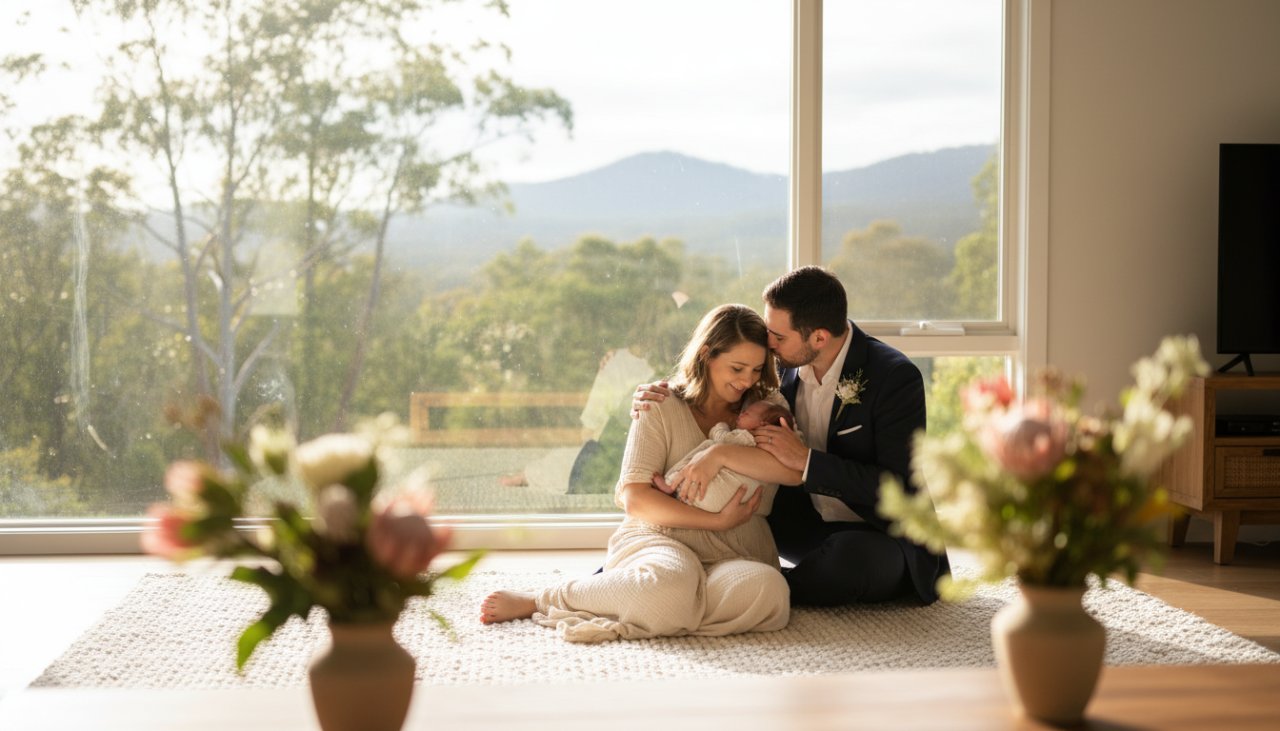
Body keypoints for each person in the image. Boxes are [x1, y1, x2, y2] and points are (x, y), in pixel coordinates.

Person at [479, 304, 799, 642]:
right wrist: (717, 520)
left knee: (771, 591)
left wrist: (719, 455)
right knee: (669, 584)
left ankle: (665, 611)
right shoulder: (659, 403)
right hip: (662, 540)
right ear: (706, 355)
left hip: (737, 551)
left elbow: (792, 470)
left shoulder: (767, 406)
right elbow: (636, 498)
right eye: (737, 368)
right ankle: (545, 599)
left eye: (756, 369)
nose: (747, 380)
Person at [632, 266, 950, 606]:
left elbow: (897, 486)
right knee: (742, 522)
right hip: (802, 523)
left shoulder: (894, 376)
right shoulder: (782, 363)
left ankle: (751, 591)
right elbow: (722, 376)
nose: (769, 344)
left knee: (850, 559)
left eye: (779, 337)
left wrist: (807, 461)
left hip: (879, 532)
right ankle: (666, 576)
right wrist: (664, 390)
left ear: (819, 338)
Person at [651, 400, 799, 518]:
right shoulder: (776, 450)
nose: (741, 414)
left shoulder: (746, 437)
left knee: (708, 447)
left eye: (746, 413)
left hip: (710, 497)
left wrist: (720, 426)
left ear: (762, 425)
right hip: (732, 503)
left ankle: (671, 483)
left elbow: (722, 439)